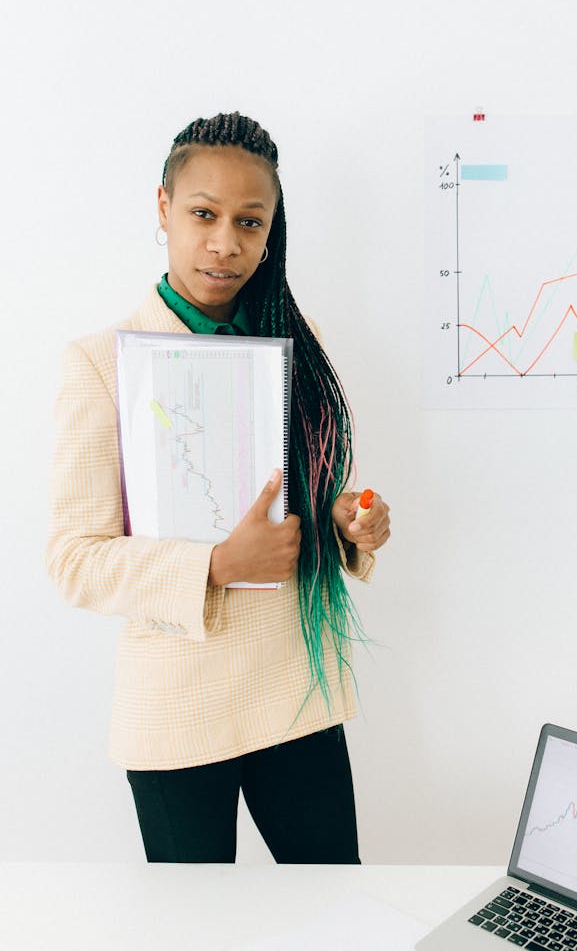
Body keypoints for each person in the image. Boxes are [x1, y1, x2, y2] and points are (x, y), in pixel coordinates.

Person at [46, 112, 391, 864]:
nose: (225, 242)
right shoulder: (100, 364)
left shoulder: (300, 344)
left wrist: (345, 522)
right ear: (163, 208)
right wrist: (217, 566)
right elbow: (74, 558)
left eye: (250, 221)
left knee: (337, 911)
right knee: (194, 933)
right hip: (177, 711)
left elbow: (308, 496)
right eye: (203, 214)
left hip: (296, 692)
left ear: (271, 232)